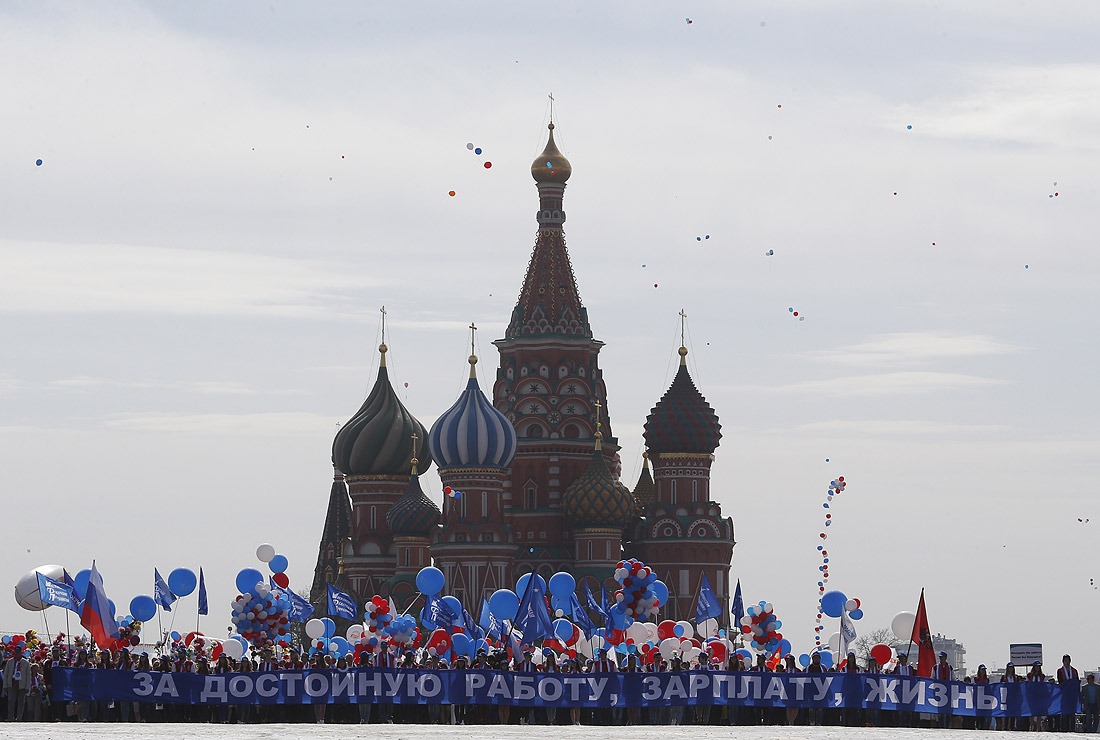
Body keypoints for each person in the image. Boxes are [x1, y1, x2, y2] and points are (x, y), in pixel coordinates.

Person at [3, 645, 33, 721]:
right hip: (12, 683)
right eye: (16, 652)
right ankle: (10, 717)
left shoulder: (25, 663)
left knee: (21, 702)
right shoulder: (10, 662)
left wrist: (27, 687)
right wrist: (5, 685)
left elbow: (28, 676)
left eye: (18, 652)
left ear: (21, 652)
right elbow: (6, 674)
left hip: (21, 684)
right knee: (11, 701)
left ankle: (19, 718)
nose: (17, 654)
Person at [1057, 654, 1080, 732]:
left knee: (1072, 713)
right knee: (1064, 713)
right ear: (1063, 661)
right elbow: (1060, 682)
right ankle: (1064, 729)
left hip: (1072, 694)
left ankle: (1072, 729)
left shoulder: (1074, 670)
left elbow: (1077, 681)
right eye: (1065, 660)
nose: (1067, 662)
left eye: (1068, 660)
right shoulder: (1060, 671)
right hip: (1064, 694)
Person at [1028, 661, 1046, 732]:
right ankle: (1031, 726)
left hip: (1039, 696)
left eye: (1038, 666)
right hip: (1032, 696)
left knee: (1039, 712)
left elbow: (1044, 685)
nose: (1037, 668)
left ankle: (1038, 727)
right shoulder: (1029, 675)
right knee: (1031, 712)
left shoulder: (1042, 676)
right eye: (1036, 666)